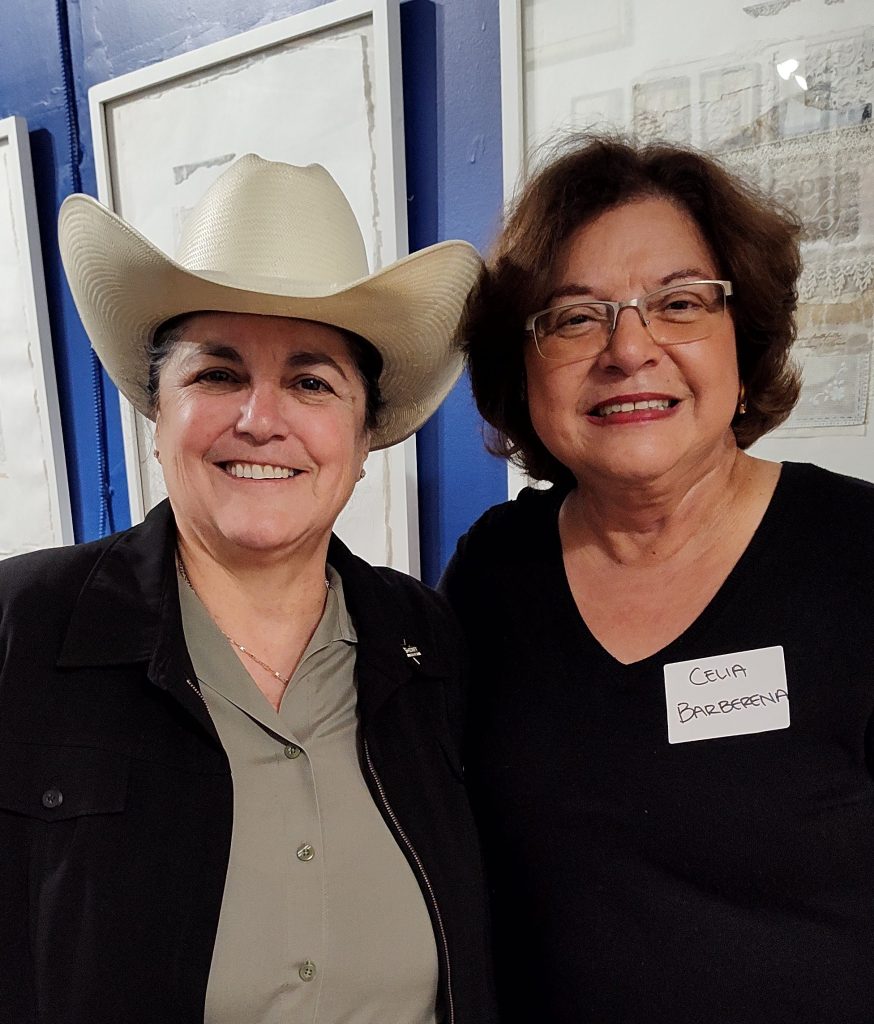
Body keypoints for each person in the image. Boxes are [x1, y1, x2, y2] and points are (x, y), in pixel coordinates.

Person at [0, 154, 498, 1024]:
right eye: (217, 373)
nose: (260, 418)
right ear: (158, 411)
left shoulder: (429, 646)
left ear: (363, 431)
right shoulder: (21, 628)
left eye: (311, 381)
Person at [440, 134, 874, 1024]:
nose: (630, 349)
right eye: (573, 317)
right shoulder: (494, 570)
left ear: (741, 341)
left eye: (679, 304)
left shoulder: (861, 553)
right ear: (522, 371)